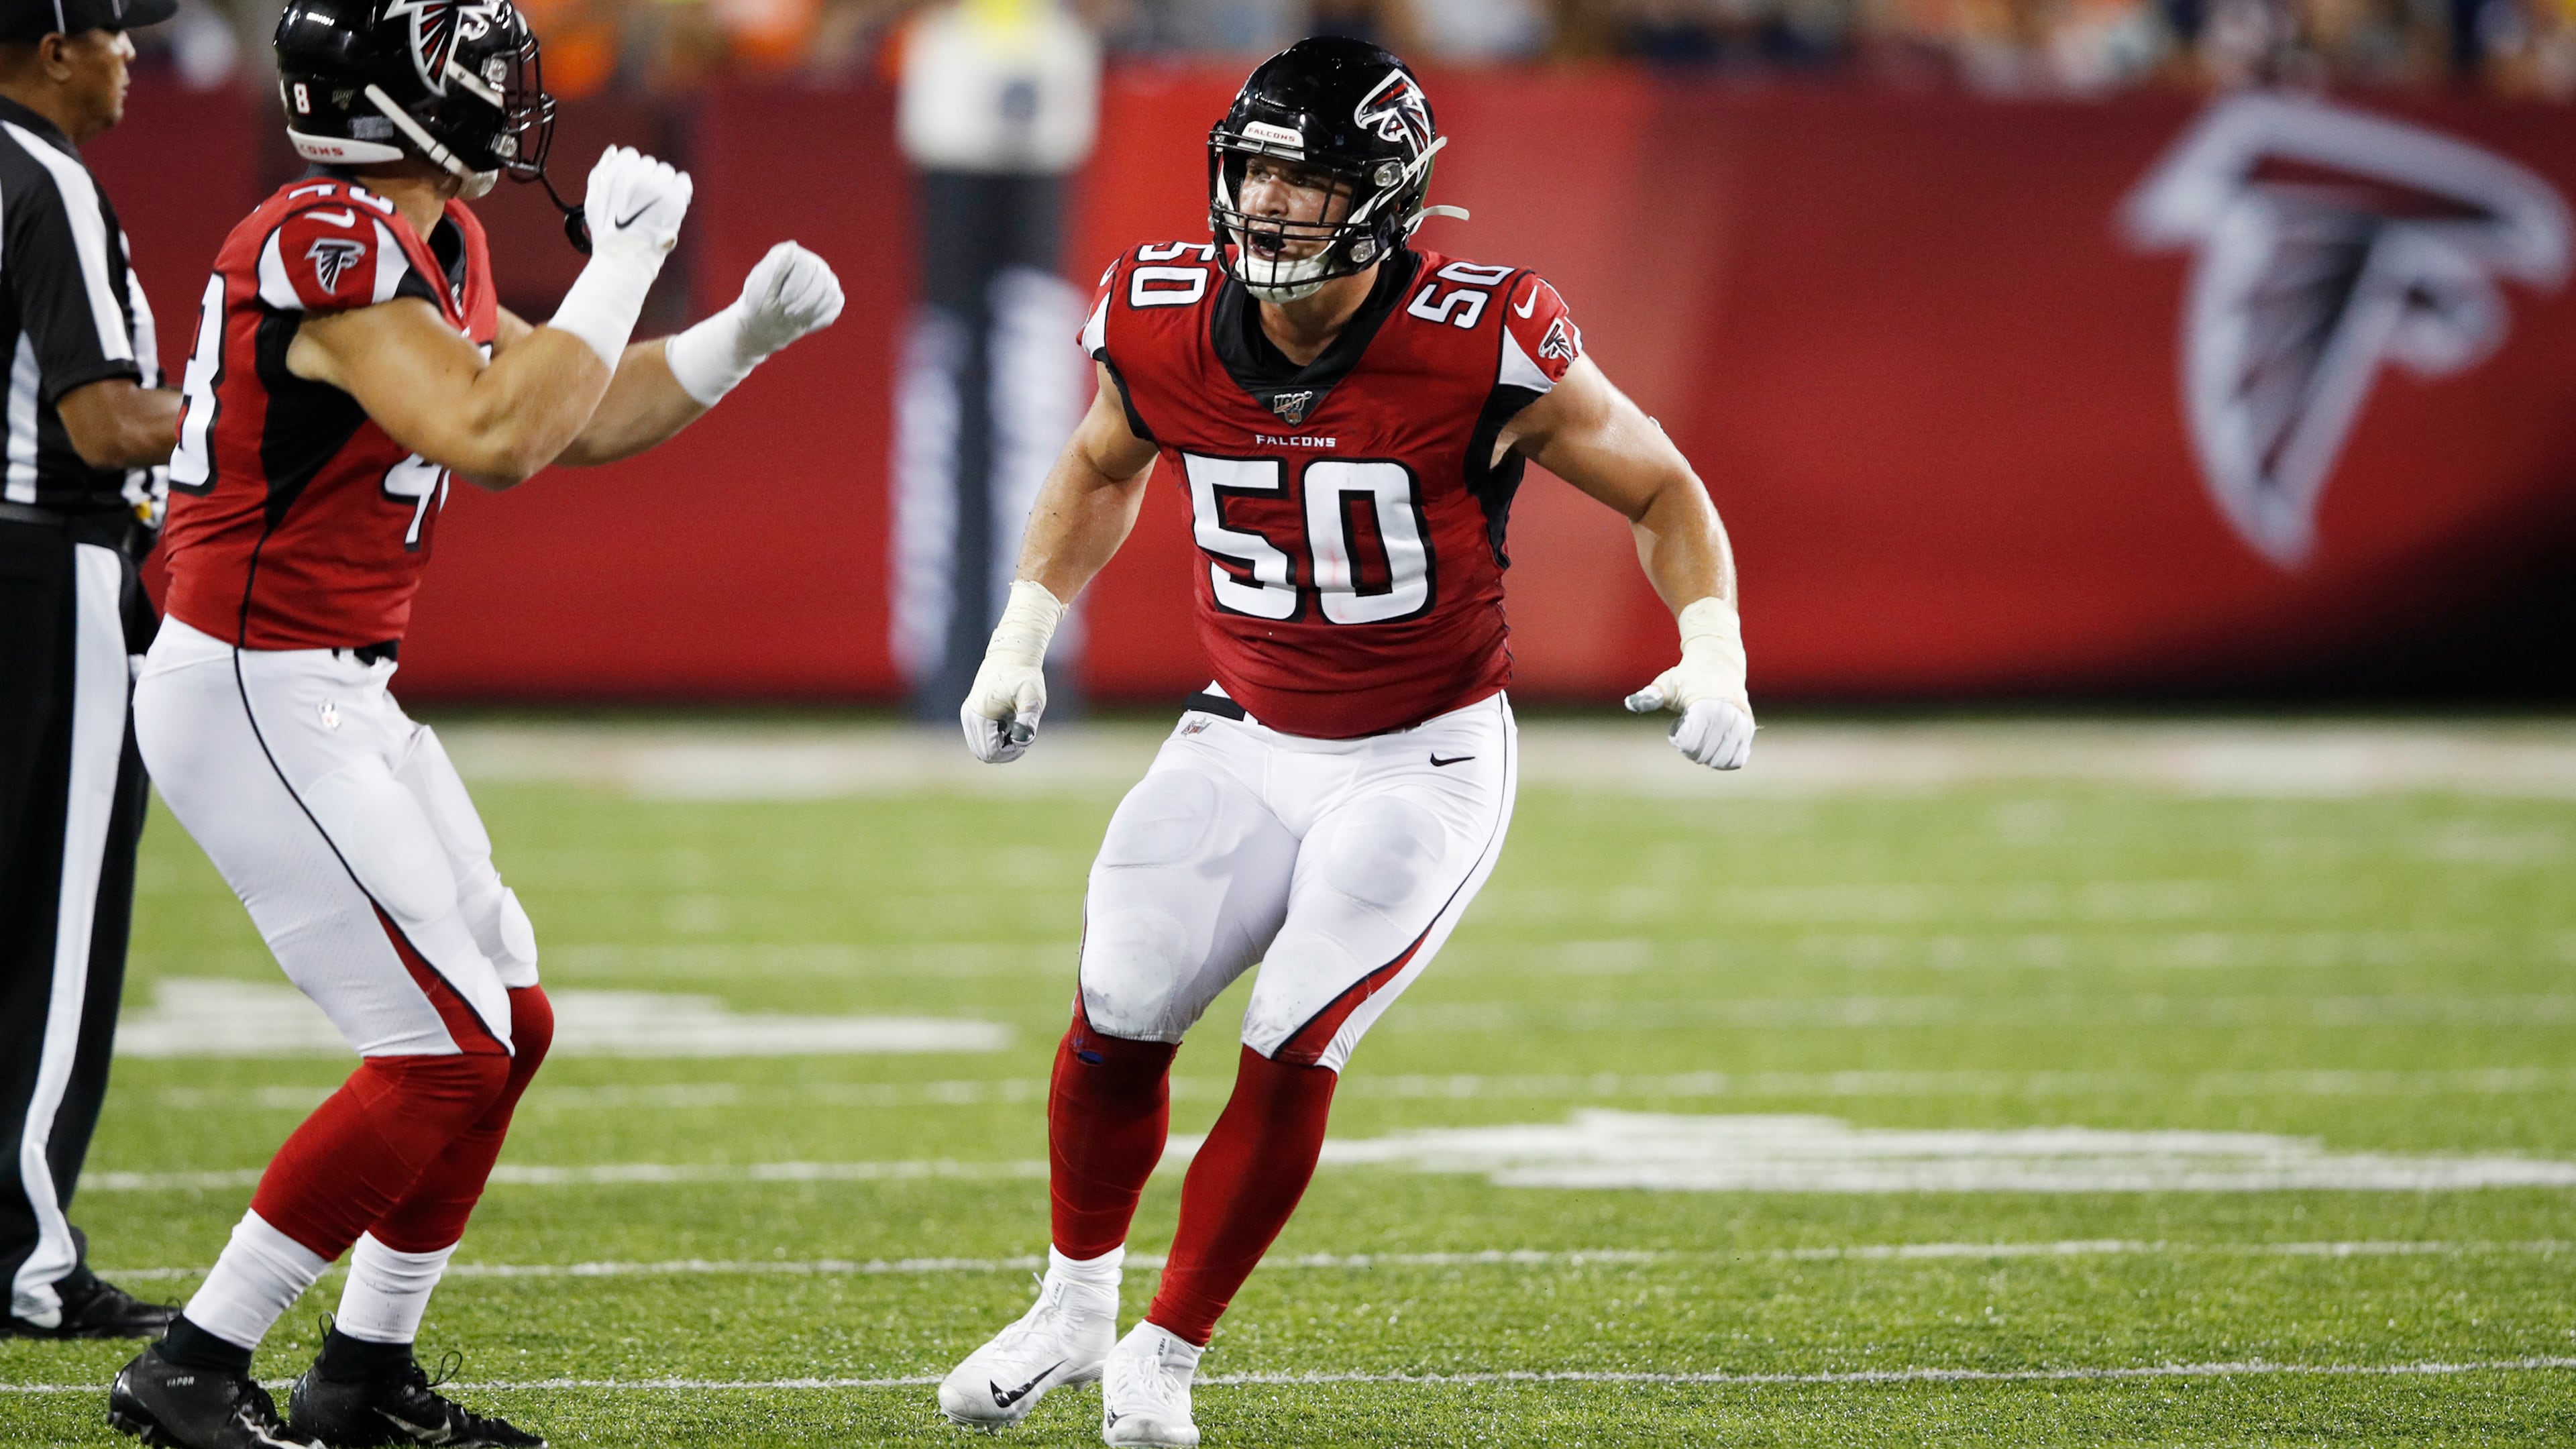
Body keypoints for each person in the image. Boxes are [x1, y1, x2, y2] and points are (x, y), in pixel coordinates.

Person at [939, 36, 1754, 1449]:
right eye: (1252, 171)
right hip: (1240, 734)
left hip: (1419, 758)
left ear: (1382, 199)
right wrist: (1021, 634)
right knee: (1119, 1004)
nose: (1266, 206)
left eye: (1304, 184)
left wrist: (1714, 643)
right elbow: (1096, 462)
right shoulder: (1161, 313)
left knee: (1288, 1040)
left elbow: (1663, 486)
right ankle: (1072, 1308)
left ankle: (1165, 1358)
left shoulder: (1480, 335)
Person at [107, 0, 843, 1443]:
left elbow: (569, 409)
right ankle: (194, 1361)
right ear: (394, 97)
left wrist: (736, 337)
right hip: (254, 679)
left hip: (336, 686)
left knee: (507, 1023)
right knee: (441, 1045)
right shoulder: (321, 234)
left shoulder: (428, 237)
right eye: (477, 69)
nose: (514, 89)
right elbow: (494, 438)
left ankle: (364, 1374)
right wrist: (624, 259)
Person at [0, 0, 187, 1346]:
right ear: (52, 47)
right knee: (53, 933)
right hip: (48, 566)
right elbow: (104, 420)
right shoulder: (46, 175)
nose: (134, 53)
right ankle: (23, 1254)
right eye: (115, 29)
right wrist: (252, 401)